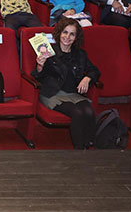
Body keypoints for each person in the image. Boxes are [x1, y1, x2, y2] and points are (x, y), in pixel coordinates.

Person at [32, 18, 100, 149]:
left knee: (89, 111)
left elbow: (95, 71)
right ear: (59, 33)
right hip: (52, 93)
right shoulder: (49, 51)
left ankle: (90, 146)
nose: (67, 37)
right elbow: (38, 76)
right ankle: (79, 149)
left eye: (72, 34)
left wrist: (87, 78)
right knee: (77, 113)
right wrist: (40, 66)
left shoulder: (80, 54)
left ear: (76, 37)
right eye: (65, 32)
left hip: (73, 93)